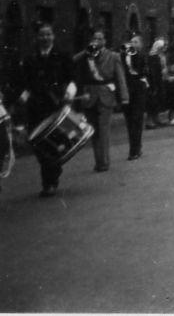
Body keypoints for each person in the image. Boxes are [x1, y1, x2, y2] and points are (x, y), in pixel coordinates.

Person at [17, 22, 75, 196]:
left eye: (48, 34)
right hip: (35, 107)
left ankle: (49, 182)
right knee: (38, 144)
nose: (45, 38)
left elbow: (72, 78)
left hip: (55, 106)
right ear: (37, 37)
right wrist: (23, 96)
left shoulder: (62, 56)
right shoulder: (30, 59)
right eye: (42, 35)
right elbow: (25, 82)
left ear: (53, 36)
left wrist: (70, 93)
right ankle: (50, 178)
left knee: (52, 144)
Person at [74, 29, 129, 170]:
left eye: (100, 38)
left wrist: (124, 97)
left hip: (106, 95)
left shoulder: (113, 56)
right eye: (95, 38)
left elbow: (120, 77)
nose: (97, 41)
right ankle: (98, 160)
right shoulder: (88, 55)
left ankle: (104, 161)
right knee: (94, 130)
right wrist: (86, 51)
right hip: (89, 96)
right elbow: (73, 61)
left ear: (105, 41)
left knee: (104, 129)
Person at [120, 34, 150, 161]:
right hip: (127, 90)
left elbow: (143, 71)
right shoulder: (122, 56)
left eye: (136, 42)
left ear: (141, 45)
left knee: (137, 119)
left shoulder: (142, 56)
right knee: (129, 121)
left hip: (138, 90)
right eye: (131, 42)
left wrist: (133, 55)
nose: (133, 44)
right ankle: (135, 147)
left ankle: (134, 150)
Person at [145, 37, 167, 129]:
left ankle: (156, 118)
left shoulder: (159, 56)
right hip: (154, 81)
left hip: (159, 80)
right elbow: (152, 71)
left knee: (157, 101)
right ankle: (150, 121)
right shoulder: (152, 57)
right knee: (152, 102)